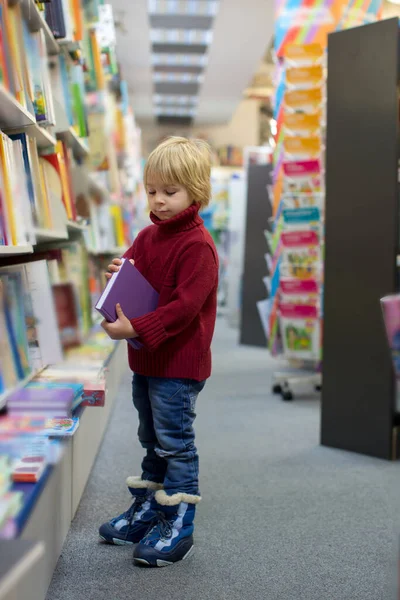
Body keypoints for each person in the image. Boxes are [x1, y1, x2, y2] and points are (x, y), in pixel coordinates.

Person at [98, 136, 219, 567]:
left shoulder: (198, 246)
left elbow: (184, 309)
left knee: (175, 442)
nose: (159, 201)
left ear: (195, 190)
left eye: (170, 192)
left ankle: (179, 524)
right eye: (152, 191)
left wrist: (136, 327)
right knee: (150, 438)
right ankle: (151, 509)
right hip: (147, 359)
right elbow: (133, 273)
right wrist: (118, 273)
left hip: (178, 365)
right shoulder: (148, 236)